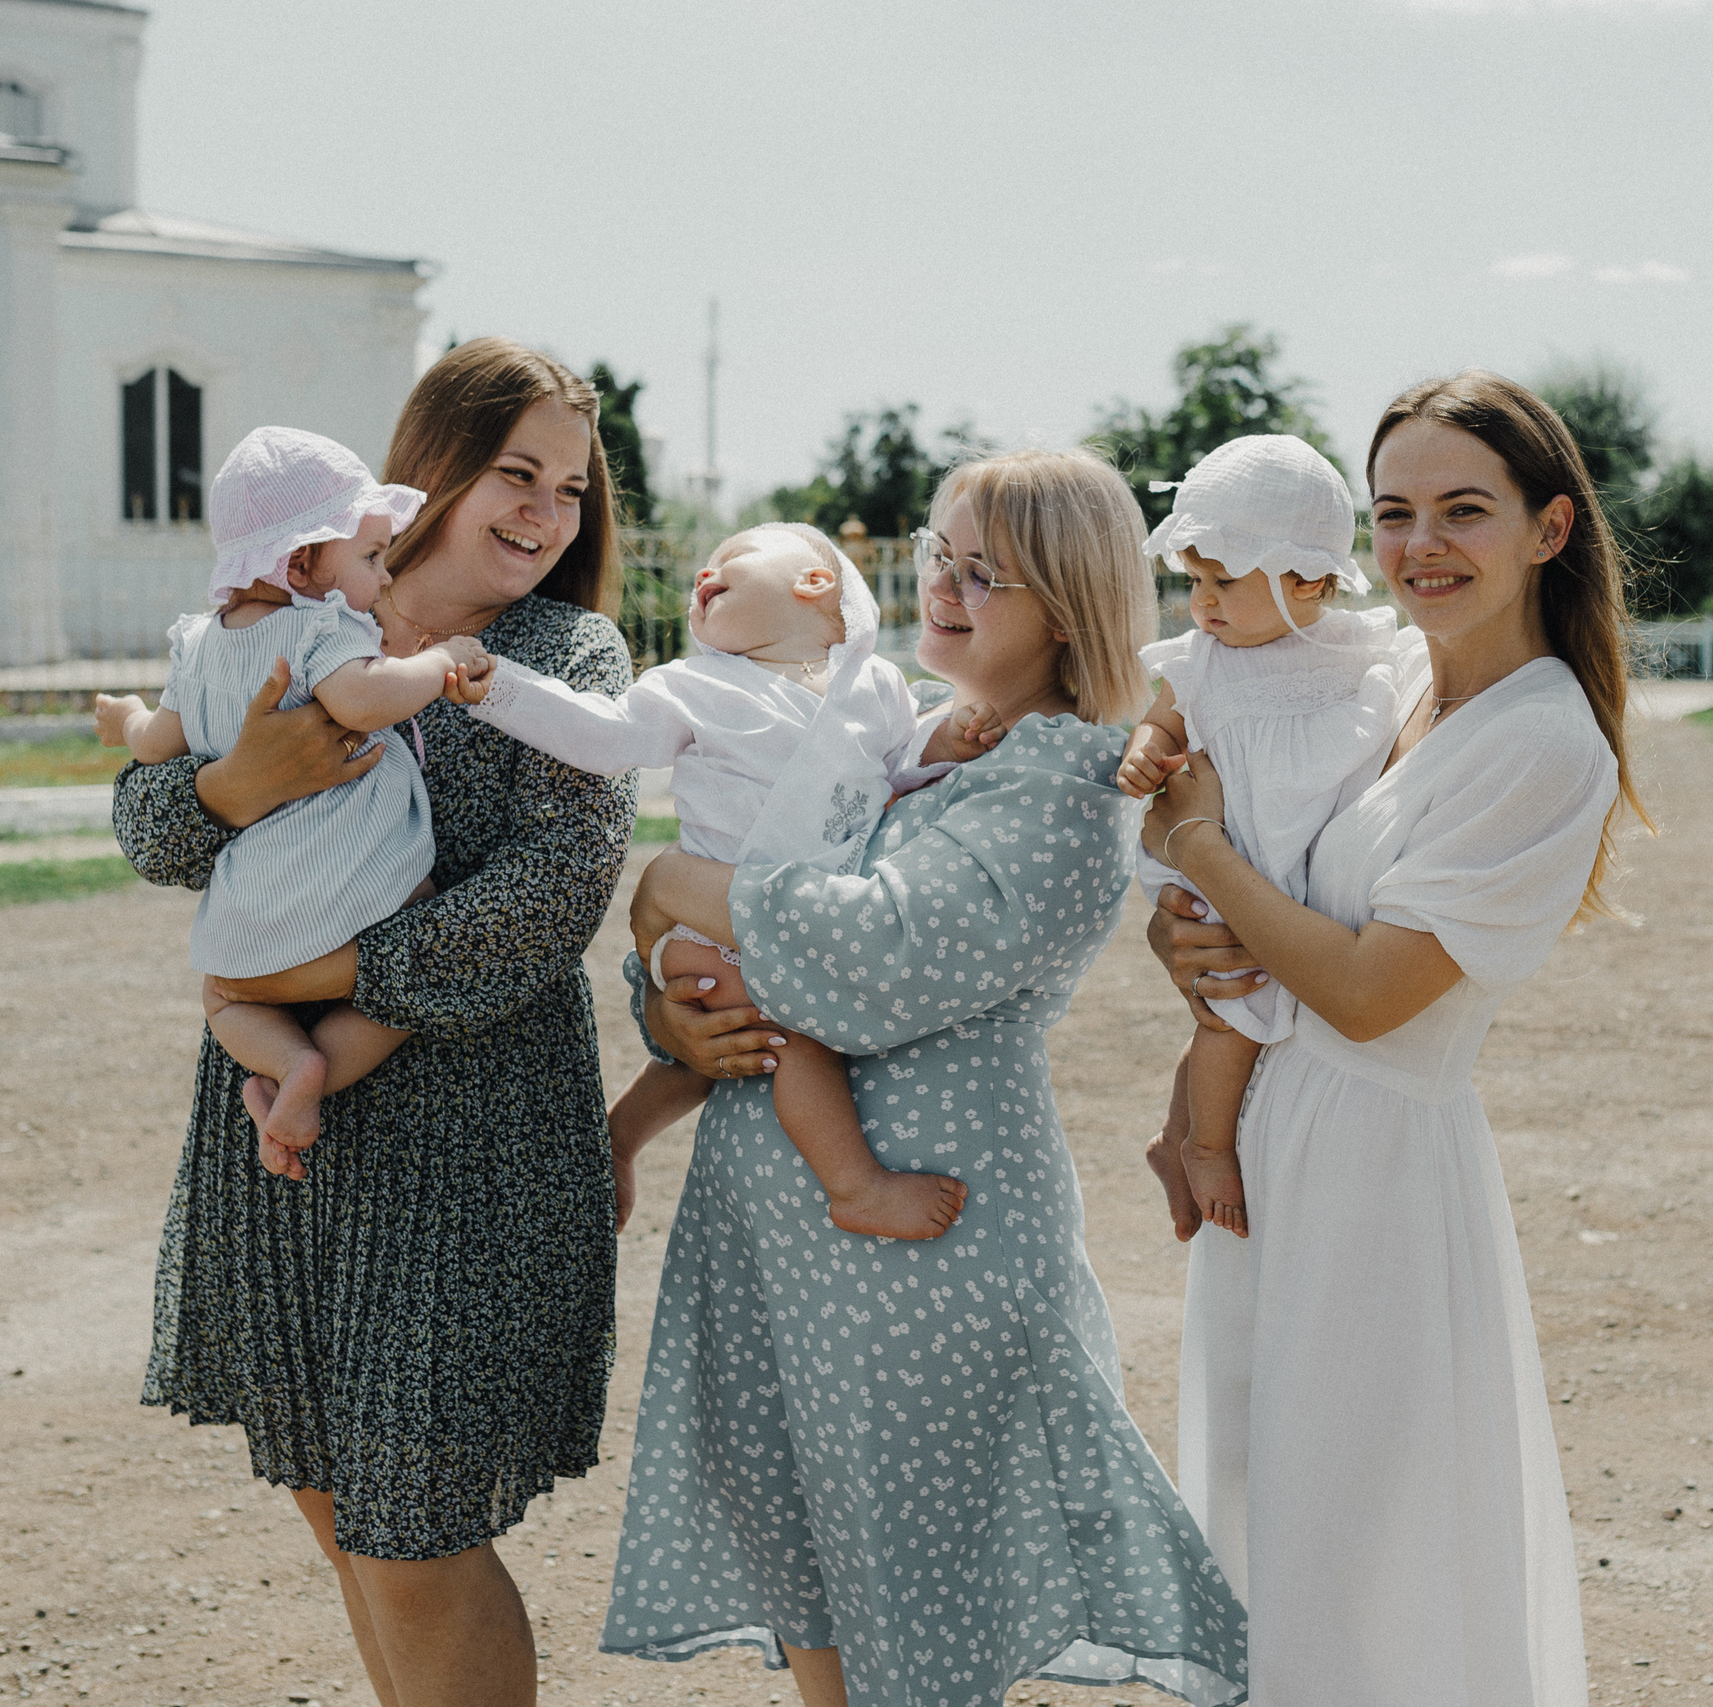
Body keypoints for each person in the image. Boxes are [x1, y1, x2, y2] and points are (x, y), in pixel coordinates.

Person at [603, 448, 1249, 1707]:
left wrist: (669, 887)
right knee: (827, 1594)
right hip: (788, 1256)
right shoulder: (909, 743)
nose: (943, 590)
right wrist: (674, 1006)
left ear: (1065, 601)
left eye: (984, 575)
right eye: (938, 560)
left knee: (919, 1616)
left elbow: (877, 956)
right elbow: (742, 942)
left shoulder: (1060, 781)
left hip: (921, 1267)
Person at [113, 339, 636, 1707]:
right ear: (433, 469)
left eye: (569, 490)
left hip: (473, 1130)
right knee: (336, 1497)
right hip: (283, 1141)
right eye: (515, 473)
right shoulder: (295, 603)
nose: (542, 512)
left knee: (415, 1530)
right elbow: (148, 819)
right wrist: (243, 783)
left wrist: (337, 985)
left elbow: (556, 886)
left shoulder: (569, 649)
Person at [1140, 372, 1648, 1705]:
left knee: (1356, 1553)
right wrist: (1184, 947)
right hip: (1277, 1142)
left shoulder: (1543, 739)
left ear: (1548, 528)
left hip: (1376, 1167)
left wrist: (1194, 842)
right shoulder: (1385, 690)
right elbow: (1271, 899)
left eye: (1463, 509)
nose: (1421, 544)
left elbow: (1369, 987)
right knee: (1262, 1516)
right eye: (1394, 512)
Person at [447, 520, 999, 1239]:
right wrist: (500, 689)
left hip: (792, 919)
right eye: (701, 572)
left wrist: (947, 739)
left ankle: (619, 1136)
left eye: (730, 559)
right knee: (794, 1036)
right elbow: (605, 733)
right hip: (706, 924)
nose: (703, 576)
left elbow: (898, 758)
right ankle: (855, 1183)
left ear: (814, 582)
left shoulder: (875, 685)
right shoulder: (693, 685)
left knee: (713, 1054)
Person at [95, 426, 493, 1155]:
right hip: (363, 880)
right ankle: (323, 1075)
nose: (383, 578)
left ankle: (290, 1063)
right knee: (416, 968)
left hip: (256, 906)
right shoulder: (317, 628)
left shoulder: (199, 647)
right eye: (371, 558)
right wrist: (440, 661)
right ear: (303, 564)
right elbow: (364, 701)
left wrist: (124, 716)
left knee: (221, 994)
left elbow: (156, 745)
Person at [1115, 433, 1408, 1236]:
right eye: (1195, 580)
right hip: (1230, 853)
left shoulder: (1358, 650)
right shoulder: (1205, 658)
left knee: (1253, 1002)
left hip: (1297, 857)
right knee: (1231, 1008)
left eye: (1225, 580)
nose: (1202, 601)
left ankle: (1176, 1131)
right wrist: (1145, 755)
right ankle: (1205, 1144)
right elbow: (1160, 719)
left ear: (1311, 578)